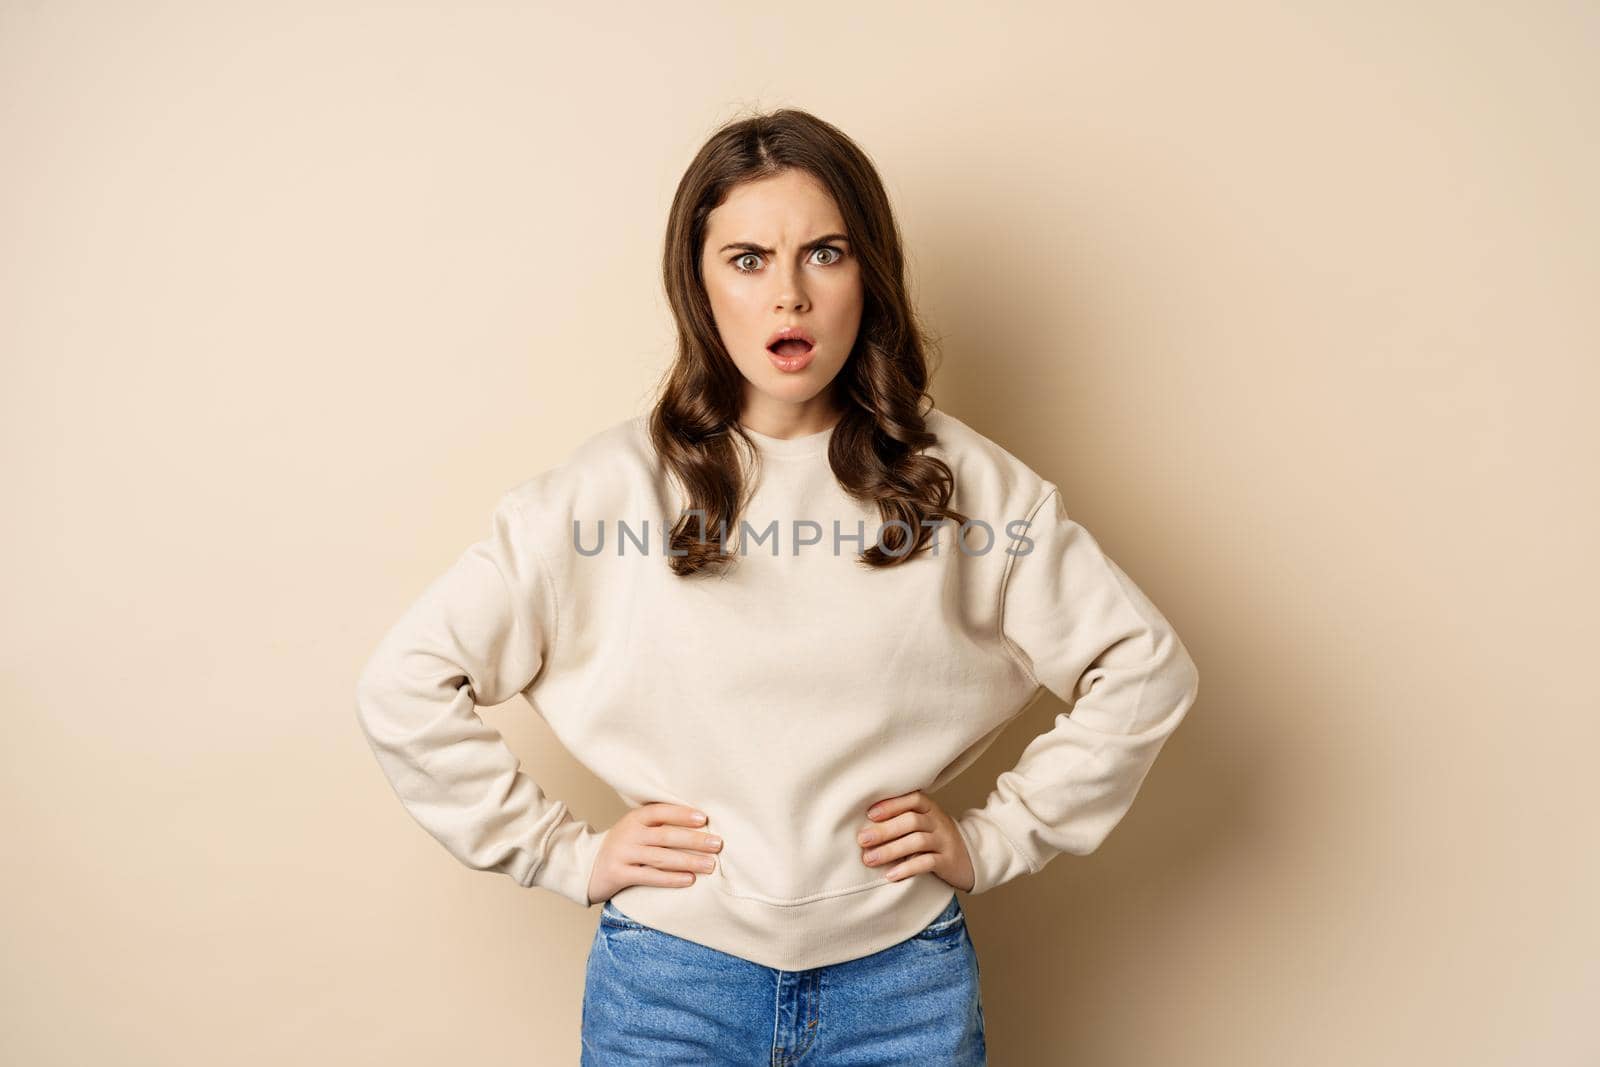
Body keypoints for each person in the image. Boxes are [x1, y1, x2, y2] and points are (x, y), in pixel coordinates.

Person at [355, 107, 1200, 1065]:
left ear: (869, 274)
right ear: (699, 281)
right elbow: (403, 686)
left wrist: (1001, 836)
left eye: (825, 254)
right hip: (669, 986)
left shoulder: (970, 486)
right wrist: (564, 854)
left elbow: (1145, 668)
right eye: (748, 259)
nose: (788, 296)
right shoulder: (604, 492)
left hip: (903, 986)